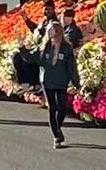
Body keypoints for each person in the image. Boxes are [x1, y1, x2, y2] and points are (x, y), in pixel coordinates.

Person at [29, 14, 80, 148]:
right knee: (52, 108)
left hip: (61, 82)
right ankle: (56, 135)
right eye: (51, 31)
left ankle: (58, 127)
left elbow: (71, 67)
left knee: (62, 108)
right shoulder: (44, 47)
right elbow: (34, 58)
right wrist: (23, 50)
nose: (54, 34)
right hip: (47, 82)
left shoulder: (66, 48)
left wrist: (76, 83)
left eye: (56, 31)